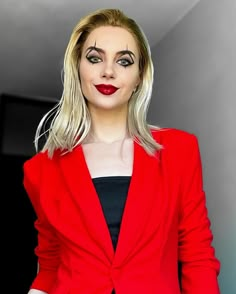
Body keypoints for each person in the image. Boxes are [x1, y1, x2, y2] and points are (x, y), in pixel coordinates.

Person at [23, 8, 221, 294]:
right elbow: (50, 263)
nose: (108, 71)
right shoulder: (41, 169)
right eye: (94, 58)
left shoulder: (179, 151)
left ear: (140, 76)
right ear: (77, 68)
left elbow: (197, 254)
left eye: (124, 61)